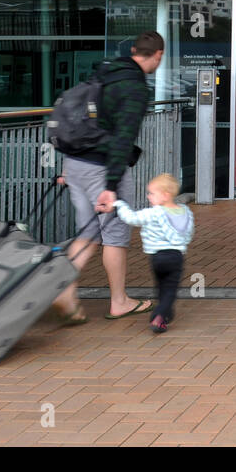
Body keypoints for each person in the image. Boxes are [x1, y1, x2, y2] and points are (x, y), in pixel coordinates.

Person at [51, 31, 165, 324]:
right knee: (115, 236)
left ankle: (65, 291)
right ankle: (119, 301)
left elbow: (81, 118)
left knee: (87, 233)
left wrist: (69, 165)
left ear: (132, 50)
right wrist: (111, 186)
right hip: (101, 168)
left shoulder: (105, 71)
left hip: (75, 161)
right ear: (158, 55)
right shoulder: (134, 87)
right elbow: (122, 138)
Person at [111, 173, 194, 334]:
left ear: (165, 195)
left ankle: (163, 313)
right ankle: (161, 315)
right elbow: (189, 233)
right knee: (170, 289)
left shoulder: (153, 213)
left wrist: (119, 204)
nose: (148, 196)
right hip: (176, 257)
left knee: (161, 286)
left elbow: (132, 218)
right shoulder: (185, 212)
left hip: (157, 258)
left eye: (151, 193)